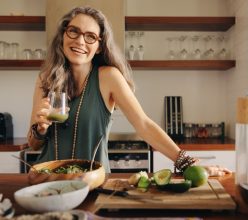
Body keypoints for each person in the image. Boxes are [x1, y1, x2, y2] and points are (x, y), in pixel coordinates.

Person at [27, 6, 230, 176]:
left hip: (92, 182)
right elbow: (34, 144)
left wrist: (187, 164)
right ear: (64, 35)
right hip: (46, 182)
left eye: (90, 37)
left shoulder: (108, 77)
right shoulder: (45, 79)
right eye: (74, 31)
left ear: (99, 46)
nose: (80, 41)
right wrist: (40, 129)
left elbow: (143, 124)